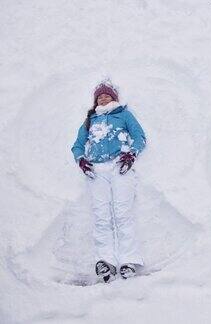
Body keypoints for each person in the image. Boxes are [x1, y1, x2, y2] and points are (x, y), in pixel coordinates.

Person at [71, 81, 146, 282]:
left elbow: (139, 136)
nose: (103, 98)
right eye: (99, 96)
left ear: (114, 98)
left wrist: (131, 155)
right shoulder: (90, 120)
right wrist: (81, 160)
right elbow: (77, 145)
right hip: (97, 170)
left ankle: (128, 260)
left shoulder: (124, 115)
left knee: (123, 213)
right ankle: (105, 260)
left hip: (119, 166)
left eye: (107, 96)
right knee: (101, 215)